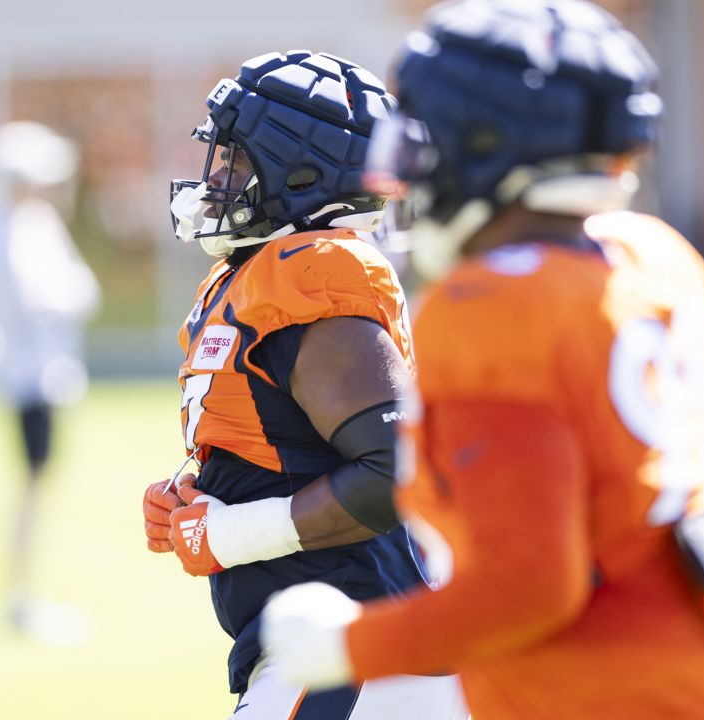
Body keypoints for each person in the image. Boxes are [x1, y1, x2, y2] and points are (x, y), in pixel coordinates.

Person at [261, 2, 704, 718]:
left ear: (478, 145)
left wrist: (350, 645)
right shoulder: (655, 259)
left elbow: (529, 589)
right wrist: (641, 619)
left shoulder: (488, 306)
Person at [142, 51, 466, 719]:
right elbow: (285, 438)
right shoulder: (255, 273)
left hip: (355, 648)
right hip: (324, 646)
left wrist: (232, 534)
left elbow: (391, 471)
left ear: (302, 171)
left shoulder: (313, 273)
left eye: (235, 159)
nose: (219, 177)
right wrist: (198, 487)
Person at [0, 120, 101, 641]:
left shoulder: (10, 224)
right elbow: (46, 299)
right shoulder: (16, 227)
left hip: (30, 375)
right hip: (31, 377)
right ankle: (22, 599)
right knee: (33, 488)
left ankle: (24, 595)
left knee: (36, 486)